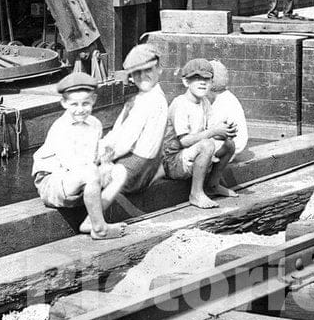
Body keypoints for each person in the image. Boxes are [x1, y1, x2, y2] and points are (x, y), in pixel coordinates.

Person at [32, 71, 128, 239]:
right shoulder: (60, 128)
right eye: (74, 104)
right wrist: (96, 169)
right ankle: (100, 229)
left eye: (85, 104)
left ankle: (91, 221)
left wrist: (105, 159)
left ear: (94, 101)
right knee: (90, 171)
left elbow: (95, 157)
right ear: (64, 103)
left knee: (119, 171)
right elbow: (72, 164)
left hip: (80, 180)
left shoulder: (95, 124)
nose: (80, 110)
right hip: (54, 182)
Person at [163, 58, 239, 208]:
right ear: (186, 82)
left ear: (211, 82)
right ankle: (196, 194)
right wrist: (213, 131)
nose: (202, 83)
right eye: (196, 78)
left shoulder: (204, 102)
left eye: (206, 79)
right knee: (207, 145)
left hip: (193, 154)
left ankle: (213, 185)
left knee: (229, 145)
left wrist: (225, 131)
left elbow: (211, 132)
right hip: (174, 162)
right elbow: (184, 141)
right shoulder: (180, 104)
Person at [99, 43, 168, 195]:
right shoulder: (146, 98)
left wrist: (102, 157)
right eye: (137, 73)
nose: (142, 77)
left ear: (159, 69)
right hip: (144, 166)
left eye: (148, 70)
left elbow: (125, 143)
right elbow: (119, 133)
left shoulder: (149, 102)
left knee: (88, 177)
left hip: (135, 170)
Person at [208, 61, 248, 160]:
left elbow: (214, 131)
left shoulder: (223, 103)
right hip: (232, 146)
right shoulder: (227, 97)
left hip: (229, 149)